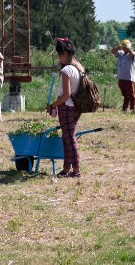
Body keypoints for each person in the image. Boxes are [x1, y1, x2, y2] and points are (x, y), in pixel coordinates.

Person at [46, 38, 83, 178]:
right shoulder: (78, 67)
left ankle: (76, 170)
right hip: (75, 108)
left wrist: (53, 105)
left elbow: (66, 95)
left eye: (60, 54)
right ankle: (66, 169)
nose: (59, 57)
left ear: (66, 54)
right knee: (66, 139)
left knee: (70, 139)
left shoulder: (67, 70)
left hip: (66, 107)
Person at [110, 39, 135, 112]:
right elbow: (112, 51)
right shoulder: (121, 53)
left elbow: (132, 55)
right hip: (121, 78)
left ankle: (133, 108)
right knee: (125, 95)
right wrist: (119, 47)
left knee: (131, 94)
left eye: (125, 47)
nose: (124, 48)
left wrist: (128, 48)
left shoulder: (132, 53)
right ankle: (124, 109)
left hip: (129, 78)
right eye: (123, 47)